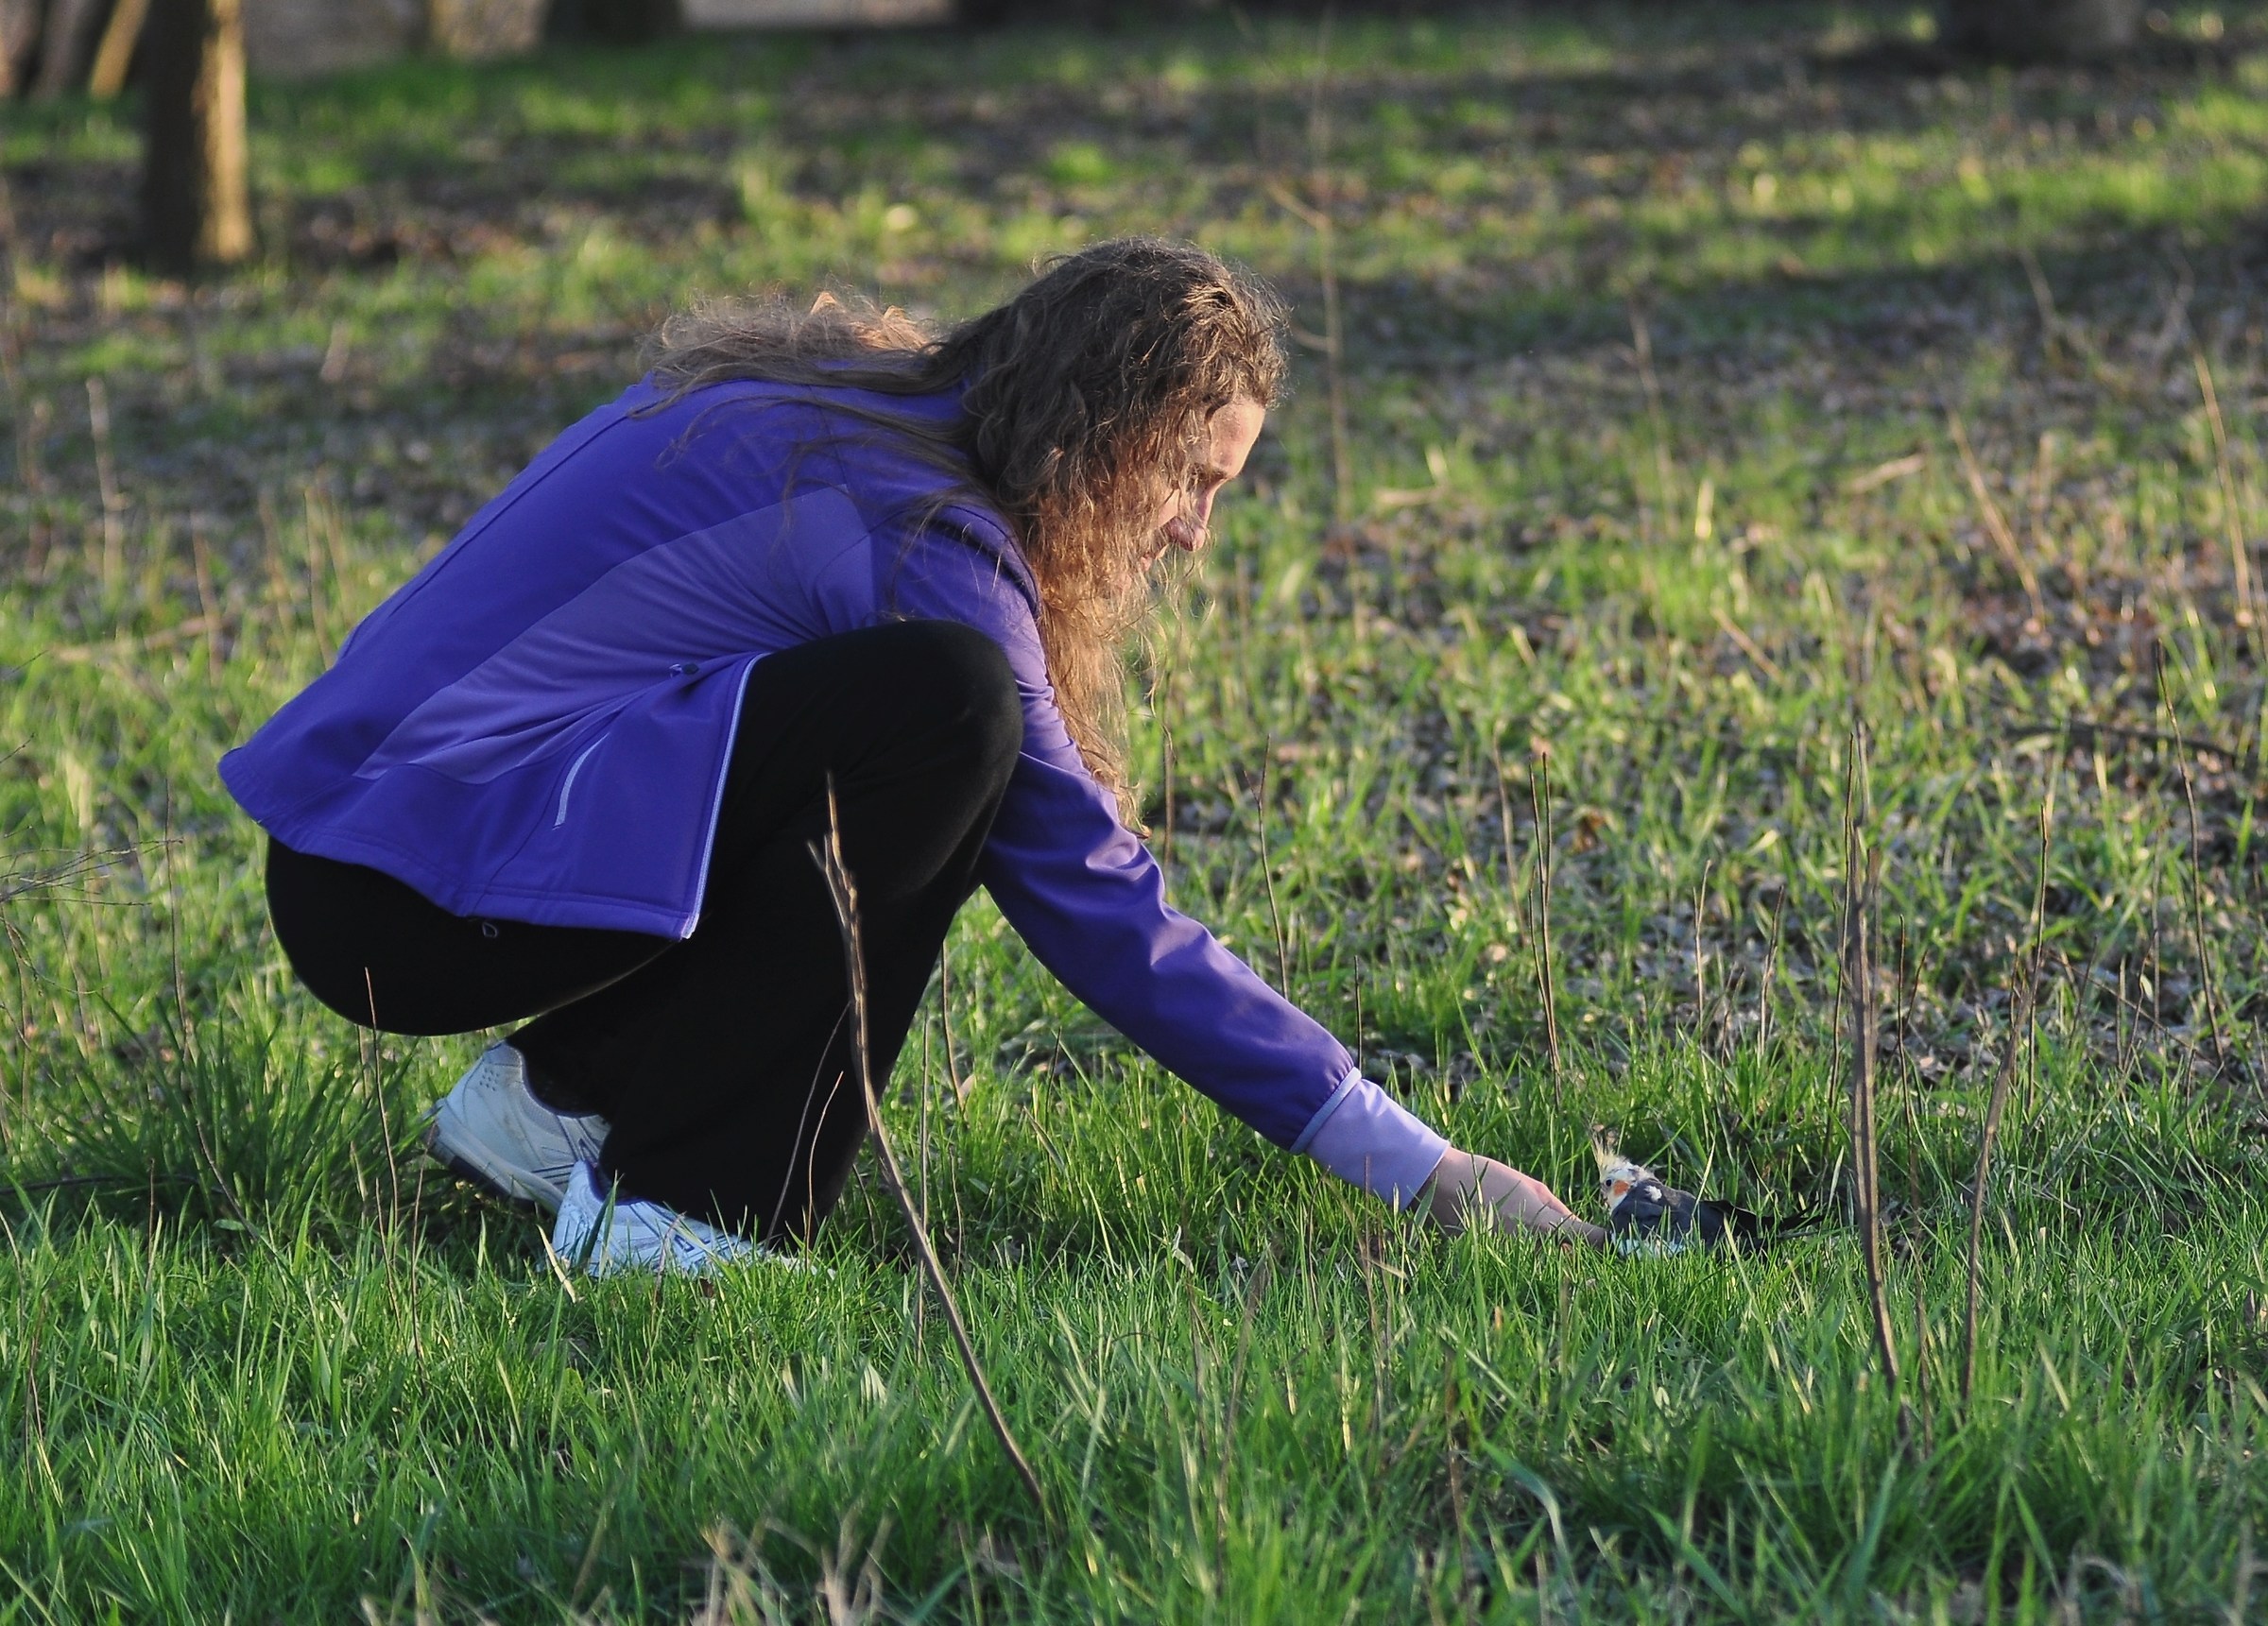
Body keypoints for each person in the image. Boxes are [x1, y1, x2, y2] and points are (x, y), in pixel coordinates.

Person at [222, 238, 1609, 1273]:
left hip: (367, 859)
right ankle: (682, 1219)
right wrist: (1427, 1170)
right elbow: (1102, 910)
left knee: (902, 744)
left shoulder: (848, 411)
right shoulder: (919, 547)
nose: (1195, 531)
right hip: (400, 896)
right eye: (1193, 479)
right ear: (1098, 433)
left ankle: (559, 1103)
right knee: (949, 720)